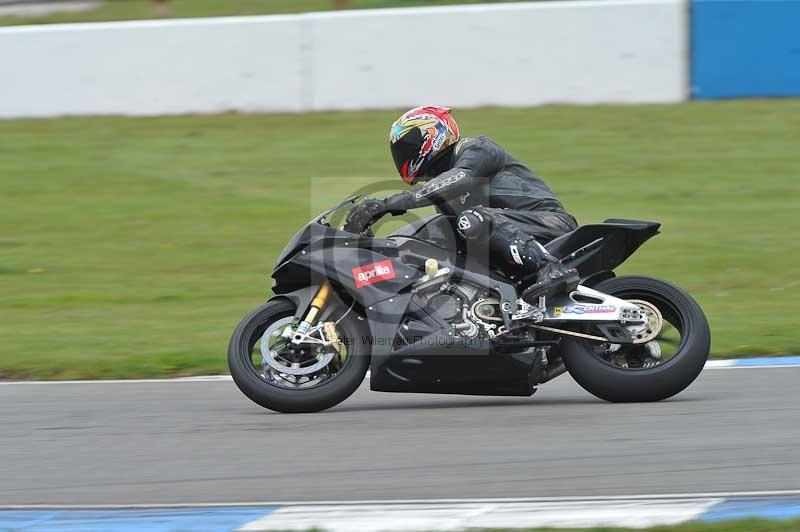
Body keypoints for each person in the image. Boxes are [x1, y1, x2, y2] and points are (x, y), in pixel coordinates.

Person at [343, 106, 580, 304]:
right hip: (512, 247)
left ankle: (552, 270)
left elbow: (459, 178)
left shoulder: (476, 149)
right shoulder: (444, 196)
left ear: (431, 136)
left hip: (548, 222)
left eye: (408, 146)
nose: (403, 155)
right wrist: (372, 246)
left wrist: (388, 204)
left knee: (472, 218)